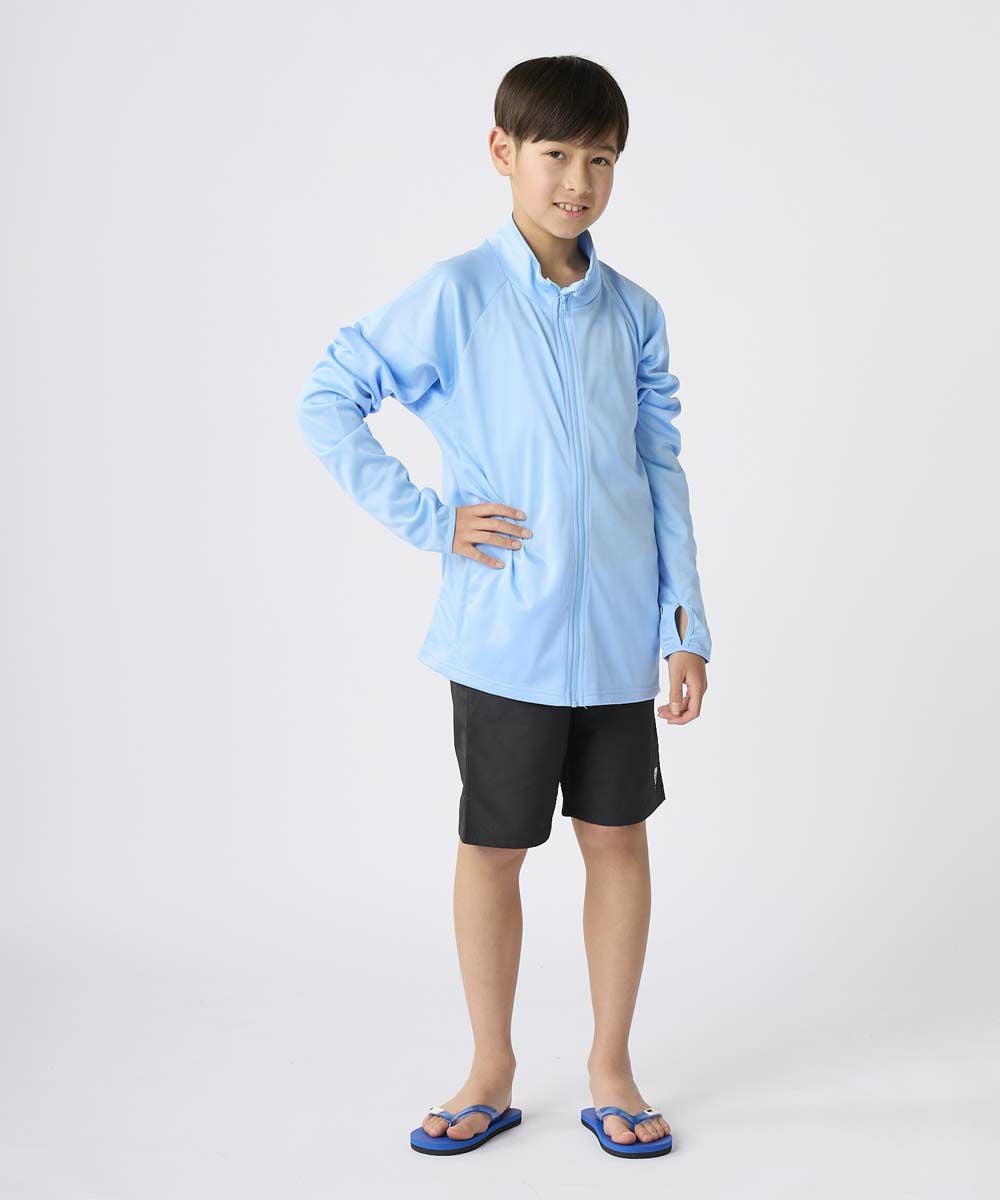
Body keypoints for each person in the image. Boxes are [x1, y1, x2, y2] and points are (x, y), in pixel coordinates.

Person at [296, 55, 712, 1159]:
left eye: (600, 159)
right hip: (503, 639)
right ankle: (490, 1068)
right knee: (493, 847)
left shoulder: (634, 313)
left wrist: (683, 625)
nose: (578, 181)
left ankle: (612, 1068)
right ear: (503, 152)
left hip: (618, 641)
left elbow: (659, 468)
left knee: (617, 840)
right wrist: (433, 520)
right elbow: (328, 396)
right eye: (555, 154)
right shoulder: (458, 294)